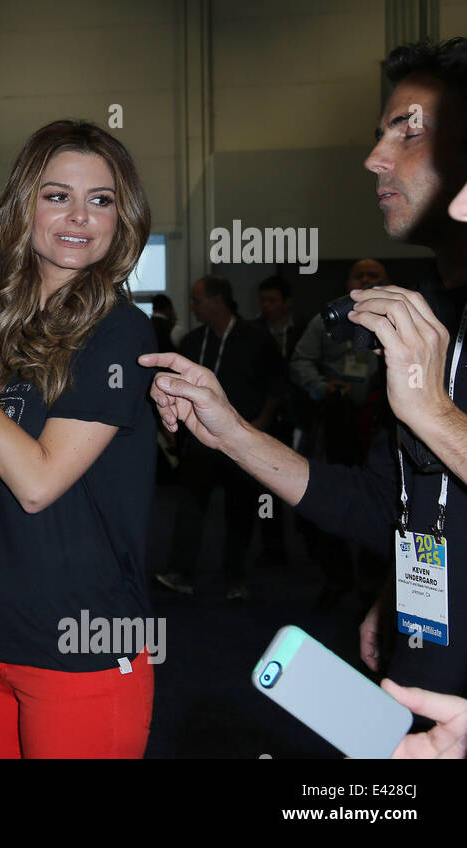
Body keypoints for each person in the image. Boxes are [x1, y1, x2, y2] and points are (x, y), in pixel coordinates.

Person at [143, 38, 467, 703]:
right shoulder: (426, 317)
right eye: (380, 135)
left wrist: (434, 413)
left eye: (409, 130)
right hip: (429, 680)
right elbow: (383, 505)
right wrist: (230, 430)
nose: (375, 158)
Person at [0, 119, 157, 758]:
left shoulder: (118, 332)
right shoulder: (3, 323)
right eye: (57, 196)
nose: (79, 216)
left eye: (100, 199)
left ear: (121, 217)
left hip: (80, 644)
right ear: (25, 207)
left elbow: (38, 482)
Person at [153, 276, 285, 599]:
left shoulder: (257, 339)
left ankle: (235, 578)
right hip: (198, 441)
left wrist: (261, 423)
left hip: (242, 439)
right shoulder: (191, 342)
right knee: (190, 505)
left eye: (197, 300)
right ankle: (181, 573)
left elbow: (276, 385)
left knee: (239, 509)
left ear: (217, 300)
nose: (193, 306)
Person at [290, 259, 388, 608]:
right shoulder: (327, 319)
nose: (365, 280)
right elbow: (300, 360)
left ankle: (372, 583)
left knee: (383, 504)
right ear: (349, 282)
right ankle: (337, 576)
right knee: (323, 496)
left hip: (383, 425)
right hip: (334, 420)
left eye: (373, 276)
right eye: (358, 275)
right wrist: (320, 386)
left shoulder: (399, 321)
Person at [252, 275, 305, 569]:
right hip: (268, 418)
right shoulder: (254, 332)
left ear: (286, 302)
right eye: (263, 301)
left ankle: (310, 543)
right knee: (268, 487)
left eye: (272, 300)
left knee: (308, 480)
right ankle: (273, 547)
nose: (267, 306)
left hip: (301, 417)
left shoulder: (305, 328)